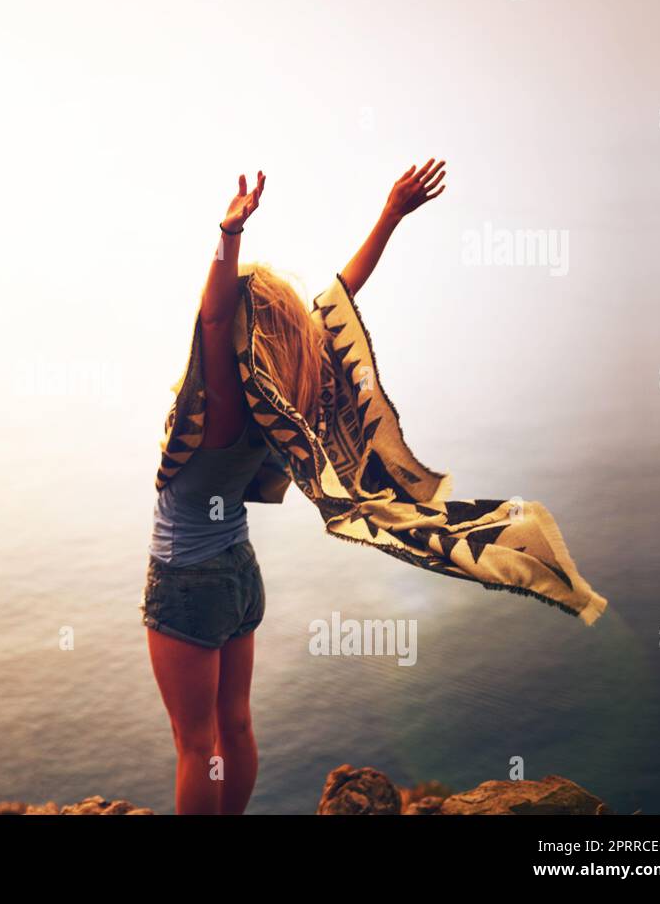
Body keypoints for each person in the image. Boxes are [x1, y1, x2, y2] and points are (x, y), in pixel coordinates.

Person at [143, 160, 447, 814]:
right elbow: (340, 297)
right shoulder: (279, 391)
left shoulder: (223, 398)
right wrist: (390, 214)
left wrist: (229, 237)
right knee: (237, 727)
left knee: (195, 743)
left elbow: (215, 321)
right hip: (238, 574)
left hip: (187, 577)